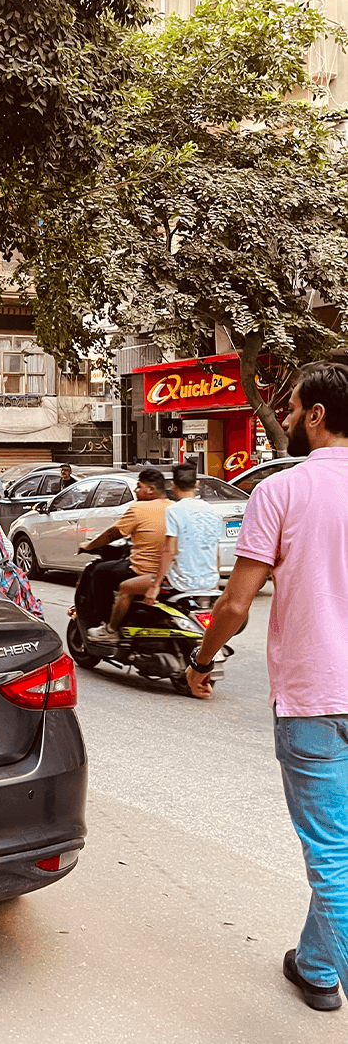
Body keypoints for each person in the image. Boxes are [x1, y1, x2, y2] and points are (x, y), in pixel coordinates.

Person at [187, 361, 348, 1012]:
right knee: (339, 851)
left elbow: (233, 606)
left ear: (314, 415)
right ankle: (314, 966)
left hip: (315, 698)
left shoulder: (280, 492)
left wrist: (199, 661)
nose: (282, 419)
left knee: (332, 857)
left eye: (290, 409)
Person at [80, 467, 171, 644]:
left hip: (142, 571)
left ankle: (107, 626)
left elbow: (112, 534)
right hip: (168, 572)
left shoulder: (139, 508)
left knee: (99, 572)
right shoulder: (174, 508)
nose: (136, 491)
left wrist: (89, 545)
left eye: (139, 487)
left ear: (151, 489)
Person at [143, 463, 220, 606]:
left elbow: (169, 551)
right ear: (196, 484)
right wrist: (214, 581)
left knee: (125, 587)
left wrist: (155, 585)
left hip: (181, 583)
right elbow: (216, 552)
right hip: (210, 583)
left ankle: (110, 628)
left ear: (173, 485)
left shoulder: (174, 510)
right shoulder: (213, 512)